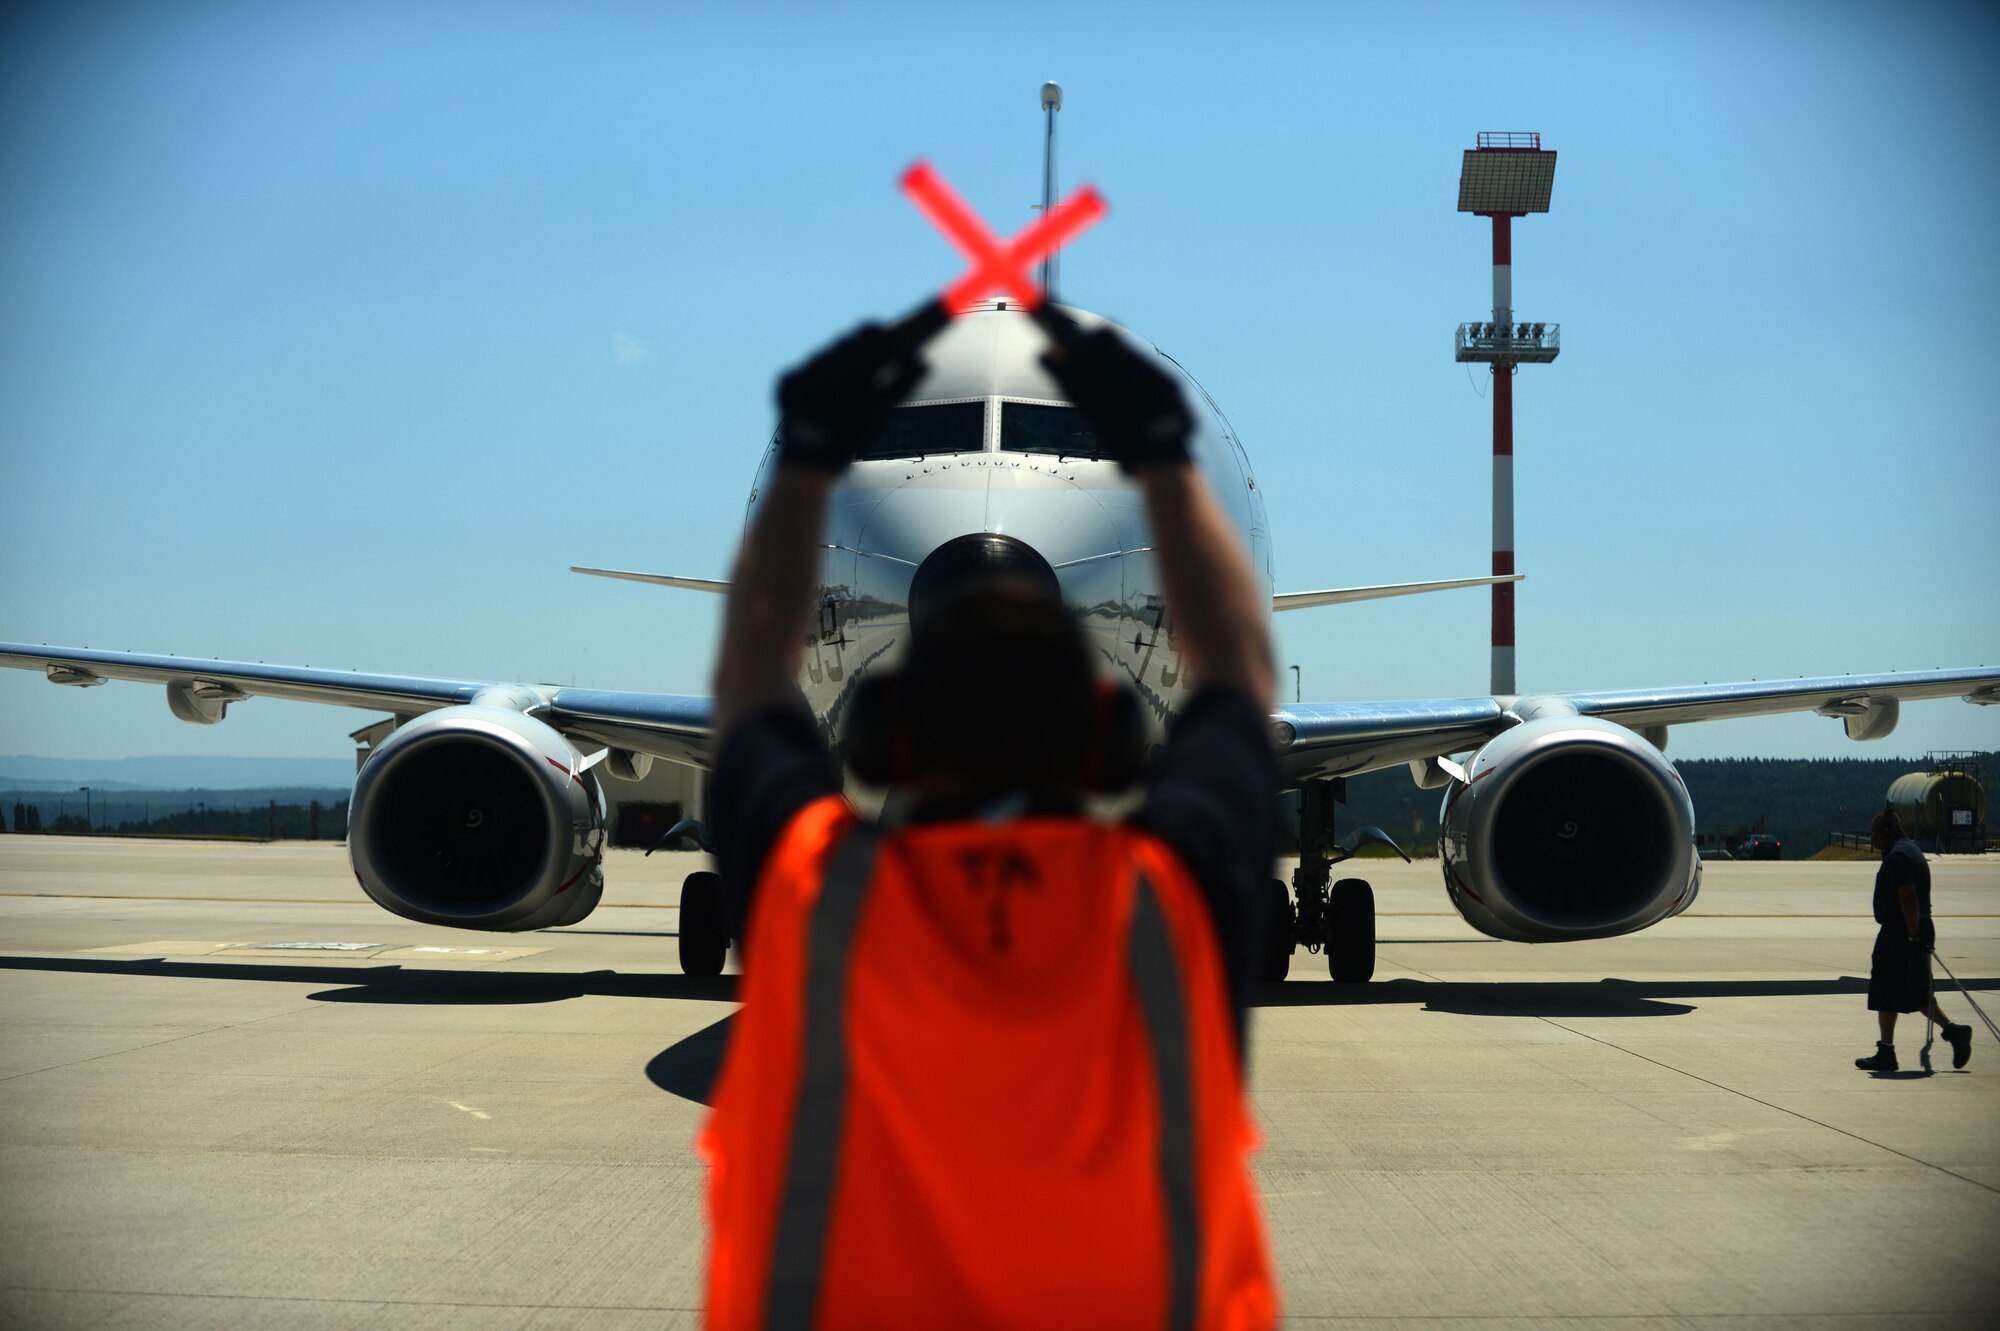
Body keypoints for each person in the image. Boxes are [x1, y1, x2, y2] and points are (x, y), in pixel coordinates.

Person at [698, 299, 1281, 1329]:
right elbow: (1236, 673)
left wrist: (805, 459)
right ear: (1101, 729)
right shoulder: (1172, 906)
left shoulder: (813, 897)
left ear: (887, 728)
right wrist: (1159, 451)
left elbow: (749, 679)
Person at [1855, 808, 1972, 1072]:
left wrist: (1913, 933)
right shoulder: (1911, 850)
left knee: (1885, 988)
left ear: (1887, 832)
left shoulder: (1897, 857)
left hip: (1902, 931)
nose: (1872, 838)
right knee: (1918, 992)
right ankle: (1954, 1032)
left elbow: (1907, 897)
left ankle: (1886, 1053)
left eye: (1874, 833)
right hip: (1914, 929)